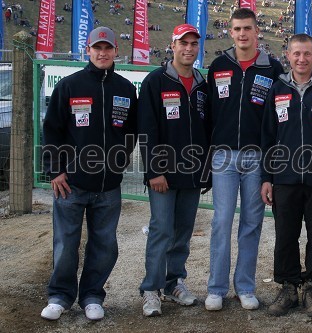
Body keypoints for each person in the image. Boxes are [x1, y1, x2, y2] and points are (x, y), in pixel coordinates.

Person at [41, 27, 138, 321]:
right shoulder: (70, 86)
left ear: (116, 51)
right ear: (88, 50)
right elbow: (52, 130)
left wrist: (120, 160)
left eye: (108, 48)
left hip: (108, 186)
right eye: (97, 47)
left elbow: (131, 131)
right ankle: (60, 296)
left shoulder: (125, 88)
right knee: (66, 244)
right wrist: (55, 170)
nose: (103, 53)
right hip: (71, 184)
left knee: (105, 245)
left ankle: (93, 296)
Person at [260, 33, 312, 317]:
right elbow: (268, 138)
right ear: (288, 55)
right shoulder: (277, 88)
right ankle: (288, 288)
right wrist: (267, 177)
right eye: (296, 54)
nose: (301, 59)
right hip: (284, 178)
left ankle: (311, 287)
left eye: (307, 54)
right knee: (285, 235)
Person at [205, 8, 284, 311]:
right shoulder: (218, 65)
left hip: (257, 157)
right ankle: (216, 288)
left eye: (247, 28)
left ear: (256, 31)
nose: (242, 34)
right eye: (237, 29)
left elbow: (279, 119)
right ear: (230, 31)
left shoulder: (272, 68)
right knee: (221, 221)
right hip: (224, 157)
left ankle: (245, 287)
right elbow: (209, 112)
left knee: (252, 224)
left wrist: (272, 166)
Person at [138, 23, 211, 317]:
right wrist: (154, 170)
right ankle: (151, 289)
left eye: (194, 44)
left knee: (182, 232)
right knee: (161, 230)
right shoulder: (156, 81)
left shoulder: (203, 85)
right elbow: (147, 130)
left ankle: (173, 282)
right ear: (173, 45)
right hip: (163, 176)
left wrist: (206, 171)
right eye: (184, 43)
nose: (189, 49)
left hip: (192, 174)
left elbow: (207, 131)